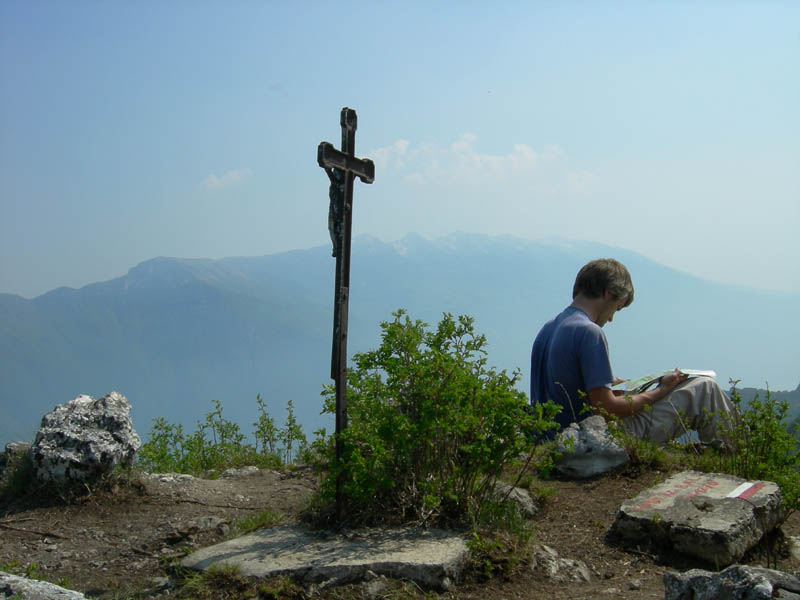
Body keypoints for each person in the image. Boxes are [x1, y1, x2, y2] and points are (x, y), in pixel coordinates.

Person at [530, 258, 736, 445]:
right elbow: (607, 410)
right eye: (616, 308)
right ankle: (733, 458)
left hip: (551, 437)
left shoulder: (549, 328)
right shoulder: (589, 332)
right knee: (704, 389)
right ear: (608, 294)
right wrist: (660, 391)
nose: (611, 318)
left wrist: (614, 384)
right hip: (588, 440)